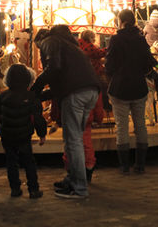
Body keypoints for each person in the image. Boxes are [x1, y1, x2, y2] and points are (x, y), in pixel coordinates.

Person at [32, 24, 100, 199]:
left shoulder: (48, 41)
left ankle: (79, 187)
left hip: (75, 94)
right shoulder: (71, 46)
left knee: (73, 140)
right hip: (91, 91)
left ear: (39, 41)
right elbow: (60, 80)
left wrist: (34, 89)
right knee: (74, 138)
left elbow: (53, 68)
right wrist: (39, 96)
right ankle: (72, 179)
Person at [105, 10, 156, 175]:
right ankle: (140, 164)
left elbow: (110, 64)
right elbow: (149, 63)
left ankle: (124, 165)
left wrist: (113, 74)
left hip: (120, 87)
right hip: (138, 87)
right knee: (140, 124)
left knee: (122, 126)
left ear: (121, 21)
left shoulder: (116, 39)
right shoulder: (141, 40)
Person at [0, 63, 47, 199]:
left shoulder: (2, 97)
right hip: (24, 135)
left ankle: (15, 188)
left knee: (11, 161)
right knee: (29, 162)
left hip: (7, 134)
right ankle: (33, 189)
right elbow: (38, 118)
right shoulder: (31, 97)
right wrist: (42, 134)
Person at [76, 29, 107, 180]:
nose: (94, 38)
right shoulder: (88, 47)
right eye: (93, 36)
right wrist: (109, 49)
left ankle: (76, 170)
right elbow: (98, 53)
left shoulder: (78, 46)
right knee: (102, 90)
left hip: (77, 105)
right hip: (93, 76)